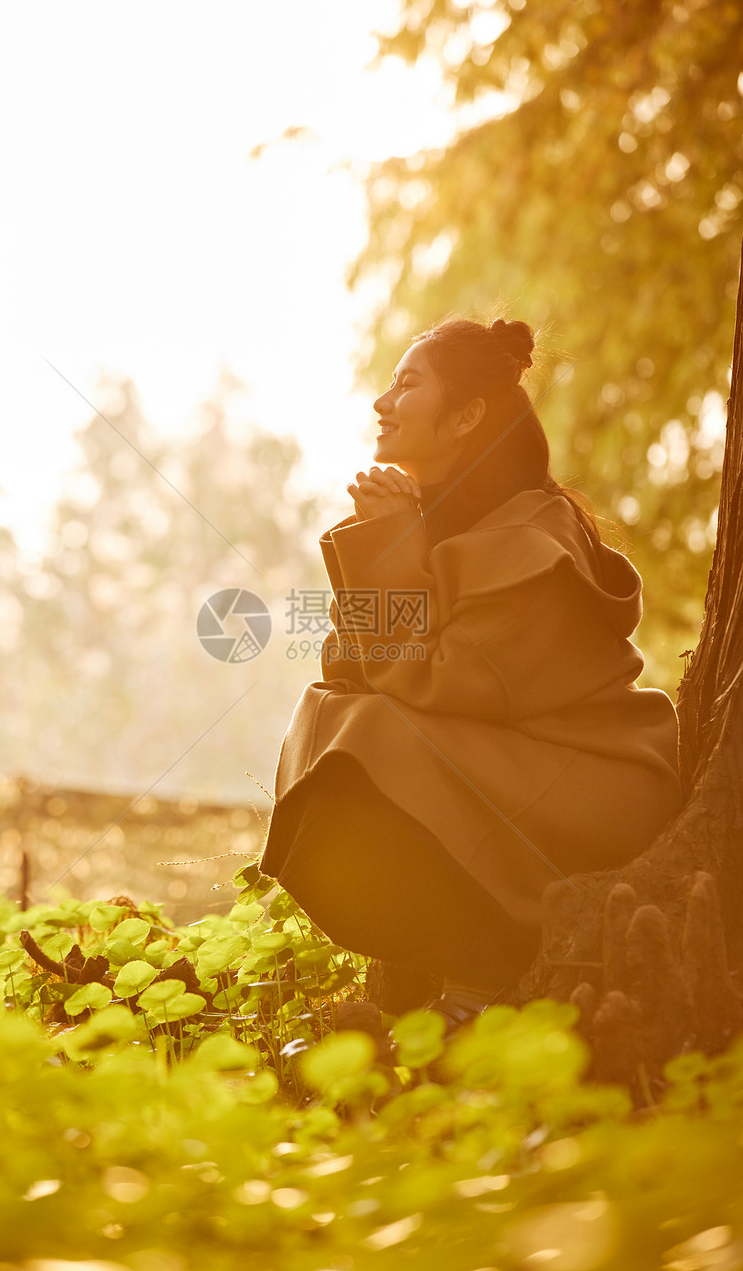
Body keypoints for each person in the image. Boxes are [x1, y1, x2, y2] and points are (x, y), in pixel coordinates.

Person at [259, 315, 682, 1027]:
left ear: (467, 416)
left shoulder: (532, 533)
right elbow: (351, 667)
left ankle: (479, 984)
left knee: (364, 734)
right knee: (333, 718)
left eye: (407, 384)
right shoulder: (437, 520)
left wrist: (391, 543)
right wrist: (391, 539)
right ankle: (462, 978)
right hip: (507, 766)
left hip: (594, 780)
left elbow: (445, 679)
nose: (382, 404)